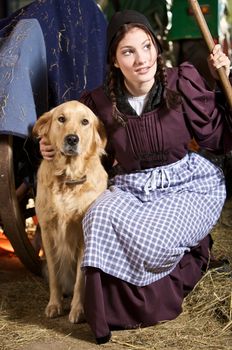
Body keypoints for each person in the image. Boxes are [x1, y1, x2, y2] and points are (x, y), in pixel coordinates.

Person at [39, 10, 232, 344]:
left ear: (156, 47)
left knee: (153, 237)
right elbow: (80, 140)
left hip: (183, 183)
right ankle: (106, 312)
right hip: (133, 186)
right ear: (115, 60)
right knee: (97, 216)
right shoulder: (99, 103)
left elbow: (217, 137)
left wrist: (224, 77)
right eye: (128, 51)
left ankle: (190, 257)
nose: (142, 59)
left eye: (147, 47)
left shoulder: (181, 81)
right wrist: (49, 144)